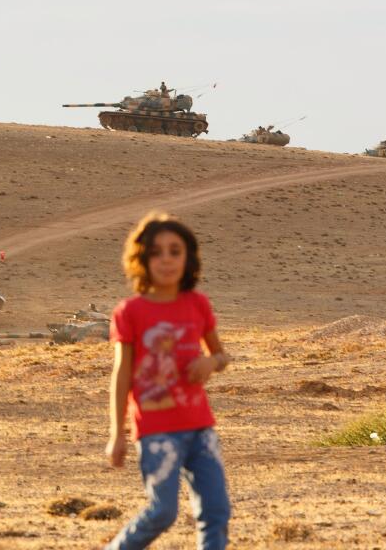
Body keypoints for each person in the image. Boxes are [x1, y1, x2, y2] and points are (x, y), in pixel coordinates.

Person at [104, 213, 231, 550]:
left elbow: (221, 356)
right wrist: (117, 434)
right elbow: (122, 374)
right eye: (156, 252)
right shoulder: (129, 312)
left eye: (175, 251)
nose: (166, 260)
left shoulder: (197, 304)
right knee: (163, 512)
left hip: (200, 429)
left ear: (188, 257)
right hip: (156, 431)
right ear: (142, 259)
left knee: (216, 511)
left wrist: (209, 361)